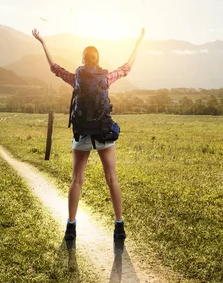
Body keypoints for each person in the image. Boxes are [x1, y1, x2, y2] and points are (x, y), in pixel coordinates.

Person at [32, 27, 145, 242]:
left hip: (82, 132)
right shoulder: (106, 77)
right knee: (112, 179)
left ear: (83, 60)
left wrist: (43, 42)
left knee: (77, 180)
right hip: (104, 133)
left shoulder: (76, 78)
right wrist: (138, 42)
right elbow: (127, 68)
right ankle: (119, 226)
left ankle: (71, 228)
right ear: (98, 60)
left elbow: (54, 68)